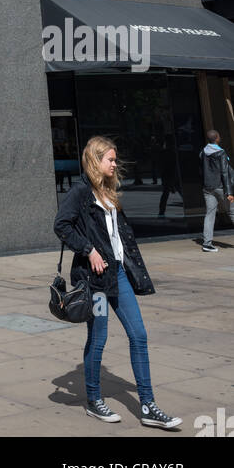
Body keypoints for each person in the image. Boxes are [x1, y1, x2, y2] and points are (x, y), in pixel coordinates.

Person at [54, 135, 181, 429]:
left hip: (118, 275)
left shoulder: (108, 191)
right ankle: (95, 400)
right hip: (94, 281)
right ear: (96, 160)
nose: (115, 163)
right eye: (110, 159)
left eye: (115, 159)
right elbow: (61, 224)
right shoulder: (81, 192)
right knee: (98, 339)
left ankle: (148, 406)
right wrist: (88, 250)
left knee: (139, 335)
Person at [200, 129, 234, 253]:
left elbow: (201, 170)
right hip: (220, 187)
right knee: (232, 212)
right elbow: (225, 173)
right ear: (217, 138)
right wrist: (229, 192)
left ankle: (207, 244)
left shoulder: (203, 152)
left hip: (208, 188)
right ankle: (207, 244)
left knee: (209, 214)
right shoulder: (221, 153)